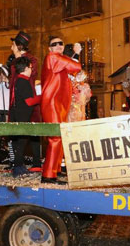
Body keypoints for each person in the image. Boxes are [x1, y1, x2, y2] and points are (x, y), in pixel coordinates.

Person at [41, 35, 82, 184]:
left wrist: (74, 56)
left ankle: (55, 170)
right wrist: (76, 54)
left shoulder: (60, 59)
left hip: (59, 104)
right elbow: (76, 67)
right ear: (49, 48)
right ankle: (48, 175)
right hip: (52, 104)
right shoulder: (53, 57)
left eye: (61, 43)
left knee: (59, 137)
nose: (58, 45)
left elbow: (72, 68)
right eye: (54, 44)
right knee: (55, 138)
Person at [9, 30, 42, 171]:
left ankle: (35, 163)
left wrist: (17, 59)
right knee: (17, 132)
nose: (11, 47)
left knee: (32, 131)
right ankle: (18, 162)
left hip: (27, 98)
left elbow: (29, 74)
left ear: (18, 46)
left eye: (13, 45)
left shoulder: (30, 60)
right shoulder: (14, 59)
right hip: (14, 99)